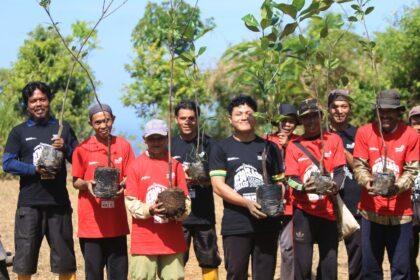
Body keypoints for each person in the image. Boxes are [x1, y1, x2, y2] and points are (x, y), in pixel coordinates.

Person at [2, 81, 77, 280]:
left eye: (42, 99)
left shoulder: (63, 128)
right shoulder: (19, 132)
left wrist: (66, 148)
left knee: (66, 262)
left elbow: (78, 159)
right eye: (33, 100)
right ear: (27, 105)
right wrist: (34, 169)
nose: (38, 104)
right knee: (24, 264)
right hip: (29, 206)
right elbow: (7, 163)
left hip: (59, 204)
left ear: (49, 101)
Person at [209, 95, 285, 280]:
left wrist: (276, 202)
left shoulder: (270, 147)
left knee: (265, 275)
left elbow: (280, 183)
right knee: (236, 273)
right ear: (230, 119)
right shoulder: (221, 148)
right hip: (236, 224)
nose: (244, 117)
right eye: (238, 114)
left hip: (267, 223)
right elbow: (218, 186)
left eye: (248, 113)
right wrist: (247, 203)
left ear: (256, 116)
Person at [353, 90, 420, 279]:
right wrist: (368, 182)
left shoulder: (410, 135)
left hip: (401, 215)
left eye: (390, 111)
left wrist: (396, 188)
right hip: (370, 213)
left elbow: (412, 170)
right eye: (381, 110)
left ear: (398, 112)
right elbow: (359, 166)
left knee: (401, 270)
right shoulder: (365, 132)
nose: (385, 115)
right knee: (370, 270)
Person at [284, 98, 346, 280]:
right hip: (303, 212)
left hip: (329, 211)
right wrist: (304, 187)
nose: (311, 121)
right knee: (302, 265)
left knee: (329, 264)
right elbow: (291, 179)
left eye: (314, 116)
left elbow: (340, 171)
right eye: (306, 118)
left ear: (321, 116)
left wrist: (334, 186)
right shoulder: (294, 146)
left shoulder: (333, 140)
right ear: (300, 121)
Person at [72, 104, 135, 280]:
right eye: (98, 122)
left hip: (117, 225)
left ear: (113, 119)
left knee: (119, 275)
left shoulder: (124, 145)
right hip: (91, 227)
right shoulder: (82, 148)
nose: (103, 125)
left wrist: (124, 183)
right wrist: (87, 184)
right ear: (90, 124)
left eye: (106, 120)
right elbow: (76, 181)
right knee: (93, 275)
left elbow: (131, 175)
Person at [125, 119, 191, 280]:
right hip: (144, 240)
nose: (156, 142)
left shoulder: (175, 165)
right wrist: (150, 210)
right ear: (144, 140)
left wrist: (178, 212)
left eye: (160, 138)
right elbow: (130, 201)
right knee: (142, 277)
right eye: (151, 138)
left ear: (167, 138)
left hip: (172, 241)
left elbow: (187, 200)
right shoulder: (136, 166)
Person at [171, 100, 221, 280]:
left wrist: (202, 179)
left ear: (197, 120)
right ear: (176, 119)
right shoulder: (169, 145)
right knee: (175, 262)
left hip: (204, 215)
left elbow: (219, 177)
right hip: (177, 216)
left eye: (191, 118)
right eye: (183, 118)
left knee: (209, 259)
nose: (187, 122)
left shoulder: (209, 143)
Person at [327, 89, 362, 280]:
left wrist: (339, 145)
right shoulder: (321, 136)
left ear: (350, 109)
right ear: (328, 110)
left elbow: (364, 168)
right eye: (335, 107)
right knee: (328, 258)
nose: (339, 111)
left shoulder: (360, 134)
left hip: (355, 206)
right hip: (328, 206)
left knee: (357, 260)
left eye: (344, 106)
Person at [267, 103, 299, 280]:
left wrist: (287, 147)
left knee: (288, 248)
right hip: (270, 202)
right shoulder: (267, 140)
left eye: (292, 121)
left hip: (292, 203)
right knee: (267, 248)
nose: (287, 124)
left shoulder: (299, 142)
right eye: (284, 120)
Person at [408, 105, 420, 280]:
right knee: (408, 250)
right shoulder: (404, 144)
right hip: (408, 203)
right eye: (415, 120)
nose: (419, 125)